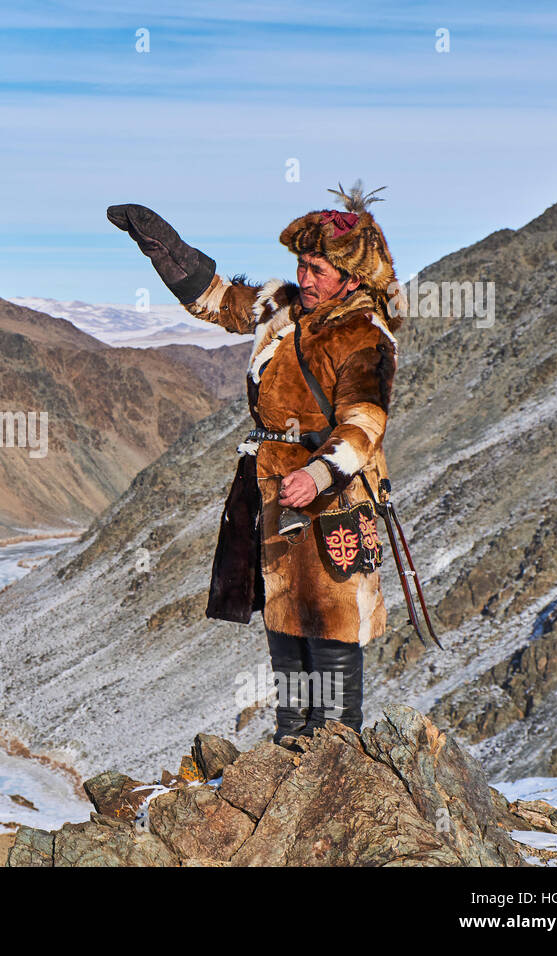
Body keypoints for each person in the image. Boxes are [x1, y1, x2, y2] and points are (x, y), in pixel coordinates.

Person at [108, 182, 403, 749]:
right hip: (272, 485)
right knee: (286, 617)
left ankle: (337, 755)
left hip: (336, 497)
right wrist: (166, 250)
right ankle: (291, 745)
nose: (306, 276)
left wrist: (316, 475)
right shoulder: (282, 307)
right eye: (303, 264)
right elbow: (217, 300)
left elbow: (364, 424)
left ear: (353, 277)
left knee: (334, 624)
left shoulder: (366, 337)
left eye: (318, 268)